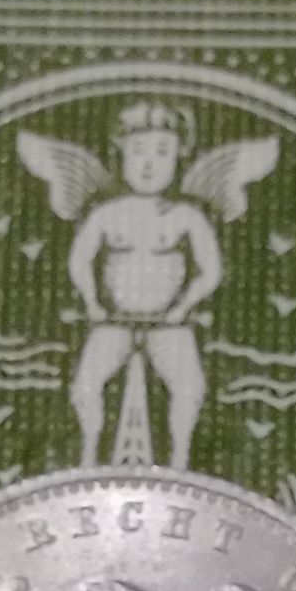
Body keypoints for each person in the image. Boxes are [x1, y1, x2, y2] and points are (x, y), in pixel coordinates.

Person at [66, 101, 223, 468]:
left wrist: (182, 308)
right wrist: (93, 303)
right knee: (85, 387)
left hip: (170, 325)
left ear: (178, 158)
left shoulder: (187, 216)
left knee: (190, 389)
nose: (149, 164)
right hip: (114, 321)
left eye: (162, 152)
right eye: (138, 151)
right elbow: (80, 260)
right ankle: (89, 457)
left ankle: (180, 463)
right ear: (121, 155)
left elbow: (211, 270)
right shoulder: (106, 213)